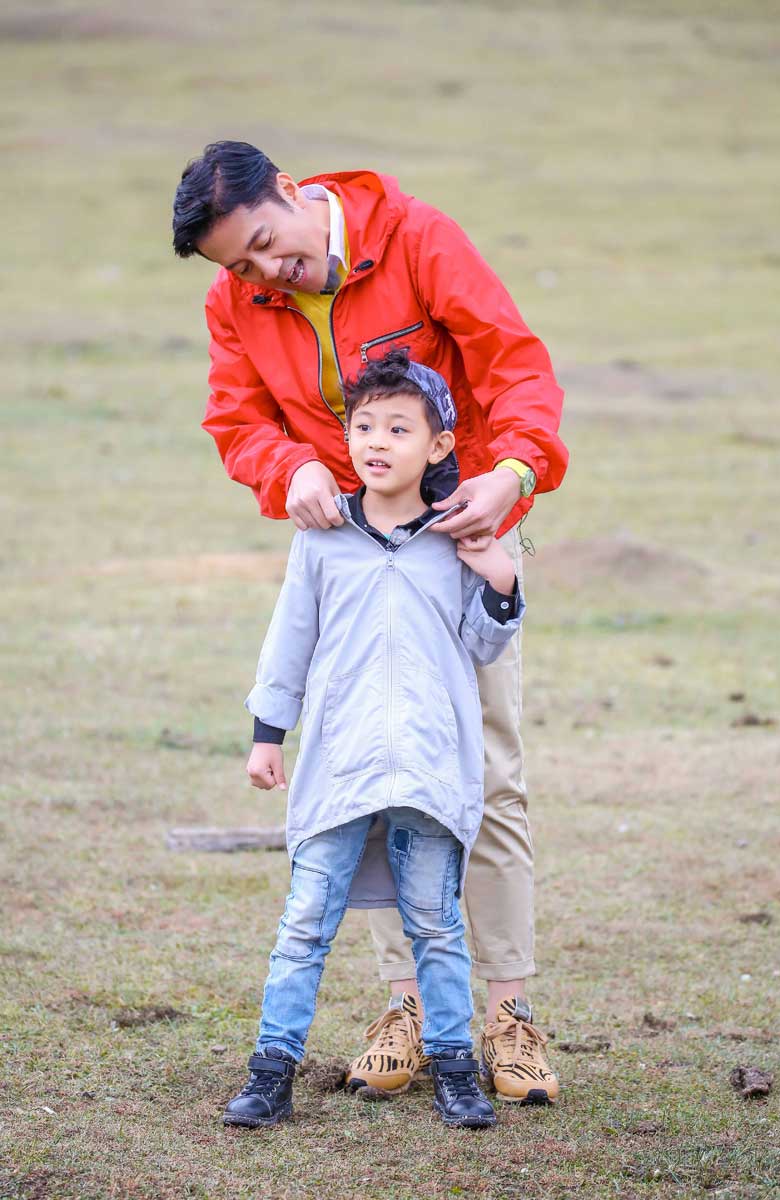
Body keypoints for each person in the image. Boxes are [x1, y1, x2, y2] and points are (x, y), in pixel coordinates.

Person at [172, 141, 567, 1106]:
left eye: (269, 245)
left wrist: (511, 473)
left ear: (293, 192)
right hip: (347, 557)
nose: (267, 274)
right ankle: (407, 1008)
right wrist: (292, 468)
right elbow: (238, 421)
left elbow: (515, 366)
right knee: (372, 775)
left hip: (463, 540)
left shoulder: (418, 238)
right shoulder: (236, 301)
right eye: (242, 266)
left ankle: (508, 1016)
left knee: (487, 773)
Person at [224, 352, 524, 1130]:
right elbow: (289, 639)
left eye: (398, 428)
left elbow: (484, 645)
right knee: (304, 921)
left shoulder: (454, 539)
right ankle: (271, 1072)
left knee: (436, 923)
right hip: (341, 767)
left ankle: (455, 1071)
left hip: (429, 767)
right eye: (363, 427)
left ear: (438, 445)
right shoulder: (323, 538)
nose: (376, 442)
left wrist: (498, 580)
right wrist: (267, 735)